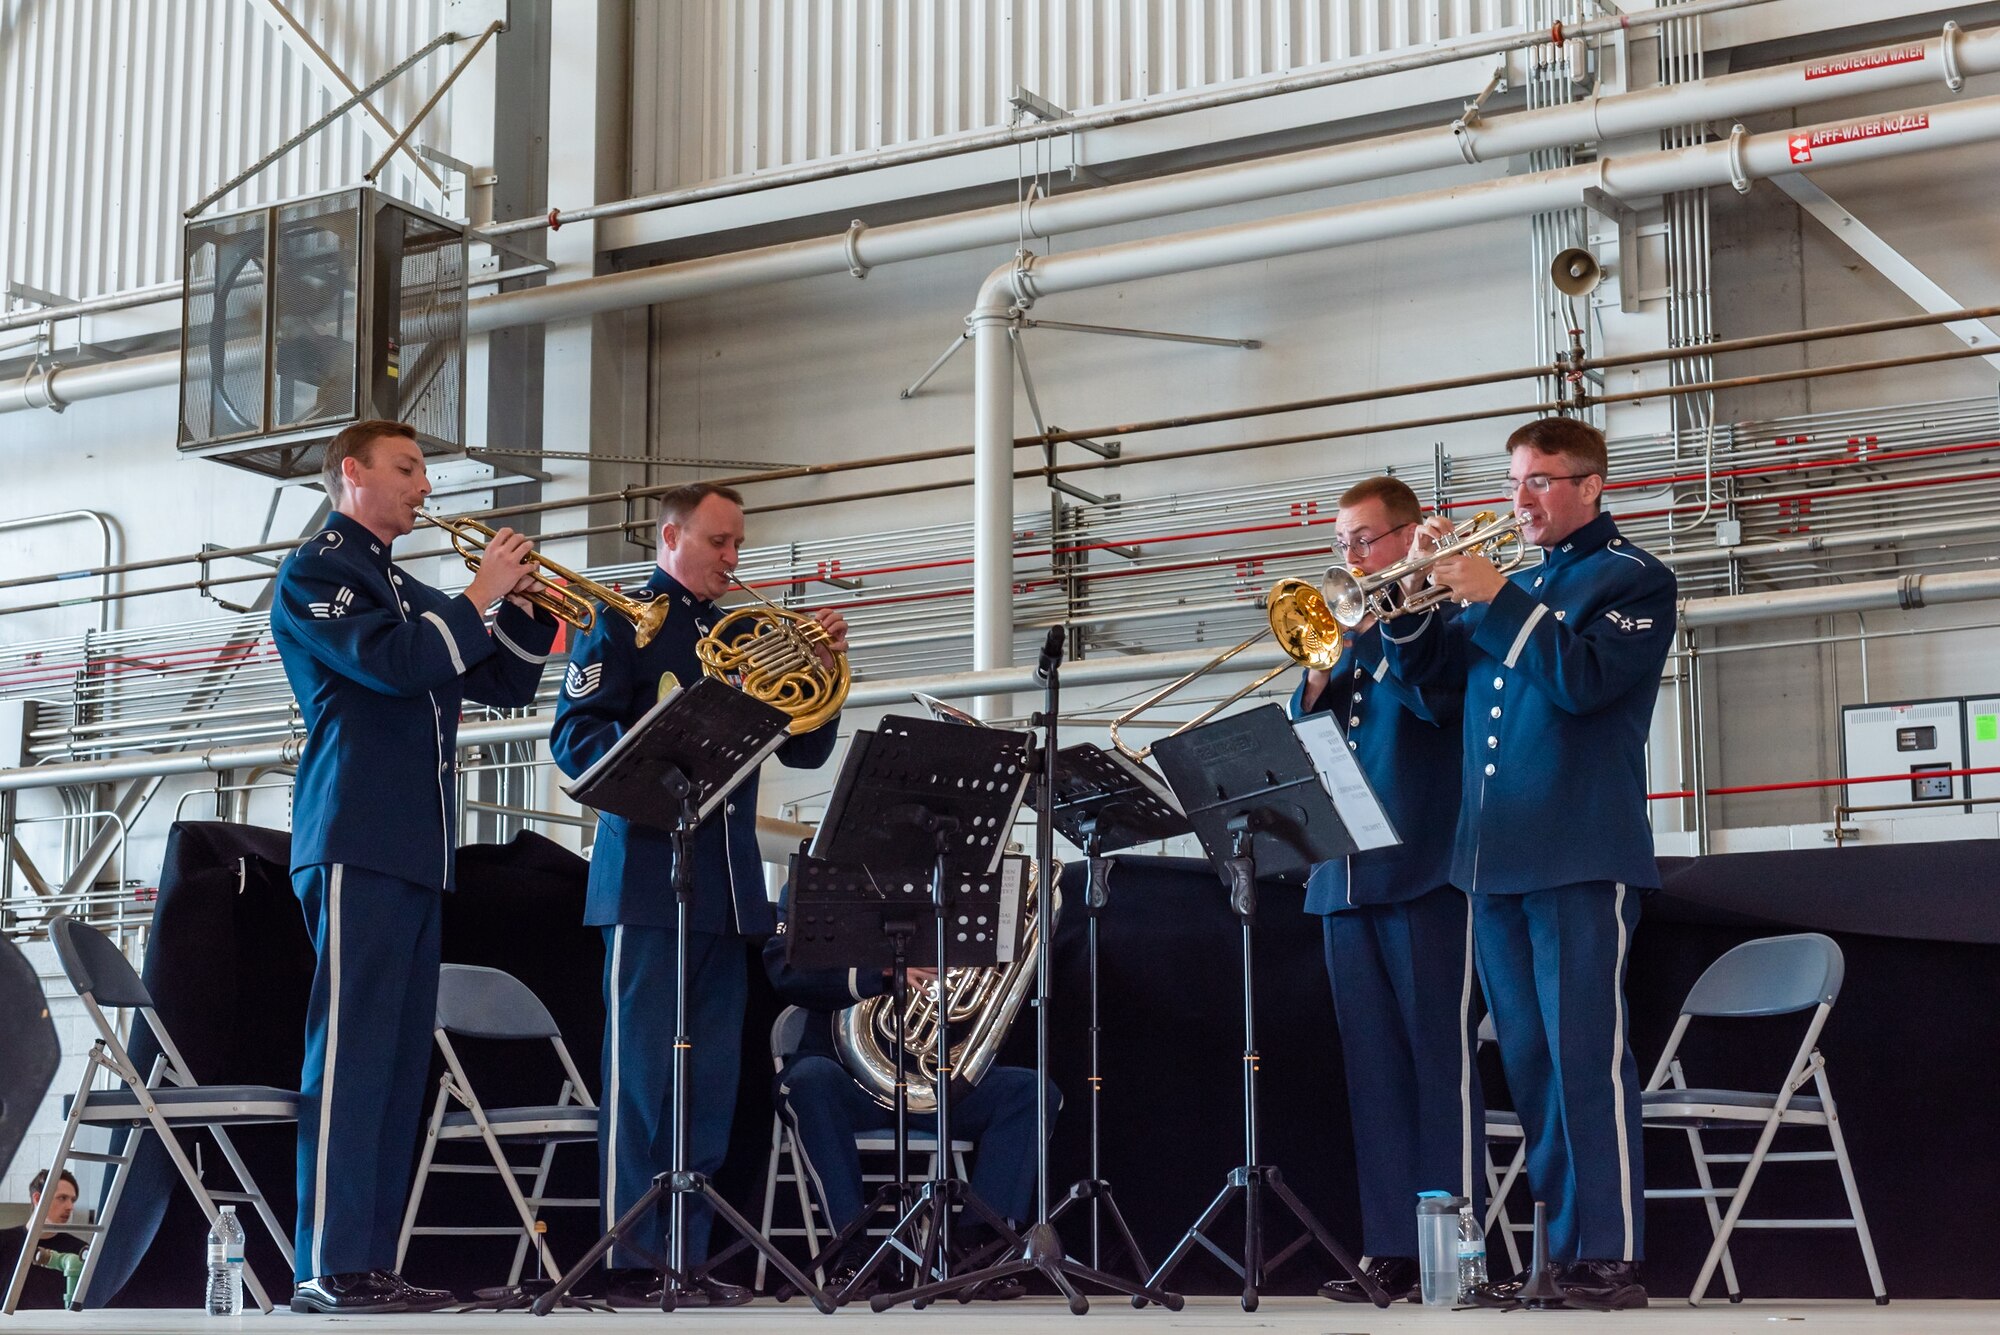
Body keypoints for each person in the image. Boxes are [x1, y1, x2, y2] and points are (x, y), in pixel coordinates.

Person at [1380, 416, 1675, 1311]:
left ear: (1590, 485)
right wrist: (1411, 598)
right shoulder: (1514, 585)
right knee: (1534, 1063)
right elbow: (1429, 695)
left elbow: (1583, 682)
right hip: (1493, 859)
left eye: (1540, 480)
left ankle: (1608, 1254)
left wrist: (1498, 596)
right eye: (1514, 481)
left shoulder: (1632, 576)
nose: (1520, 498)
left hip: (1579, 851)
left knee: (1586, 1058)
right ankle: (1557, 1253)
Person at [270, 419, 558, 1314]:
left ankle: (368, 1261)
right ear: (351, 473)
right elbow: (396, 666)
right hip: (353, 834)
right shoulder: (317, 571)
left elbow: (501, 682)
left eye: (425, 470)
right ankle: (324, 1265)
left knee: (397, 1066)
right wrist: (479, 594)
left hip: (414, 847)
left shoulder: (404, 586)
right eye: (407, 468)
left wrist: (526, 606)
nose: (424, 485)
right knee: (351, 1056)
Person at [550, 482, 846, 1307]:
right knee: (645, 1081)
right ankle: (632, 1258)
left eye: (738, 543)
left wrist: (824, 671)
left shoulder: (741, 634)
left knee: (709, 1085)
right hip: (646, 880)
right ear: (672, 537)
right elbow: (574, 738)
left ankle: (689, 1252)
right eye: (719, 541)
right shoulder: (619, 620)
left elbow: (804, 749)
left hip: (728, 889)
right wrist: (667, 738)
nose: (732, 557)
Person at [1290, 477, 1482, 1303]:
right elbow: (1306, 747)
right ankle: (1390, 1246)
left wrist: (1387, 624)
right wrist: (1313, 680)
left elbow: (1435, 703)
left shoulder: (1447, 620)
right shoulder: (1340, 638)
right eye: (1342, 543)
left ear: (1408, 536)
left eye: (1364, 540)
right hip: (1344, 877)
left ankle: (1456, 1250)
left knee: (1439, 1066)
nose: (1351, 556)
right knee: (1372, 1075)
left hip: (1424, 870)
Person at [760, 903, 1055, 1301]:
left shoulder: (954, 895)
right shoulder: (816, 888)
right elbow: (786, 971)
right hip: (845, 1079)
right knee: (807, 1082)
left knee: (1032, 1092)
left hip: (934, 1080)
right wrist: (883, 972)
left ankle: (979, 1249)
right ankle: (853, 1248)